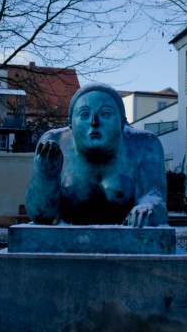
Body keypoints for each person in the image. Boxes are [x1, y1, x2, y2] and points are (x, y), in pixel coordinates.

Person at [25, 83, 168, 227]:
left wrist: (148, 208)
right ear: (71, 123)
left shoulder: (145, 144)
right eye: (84, 115)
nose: (94, 122)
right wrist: (46, 178)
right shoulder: (55, 143)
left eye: (105, 114)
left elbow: (155, 197)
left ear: (122, 122)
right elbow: (40, 216)